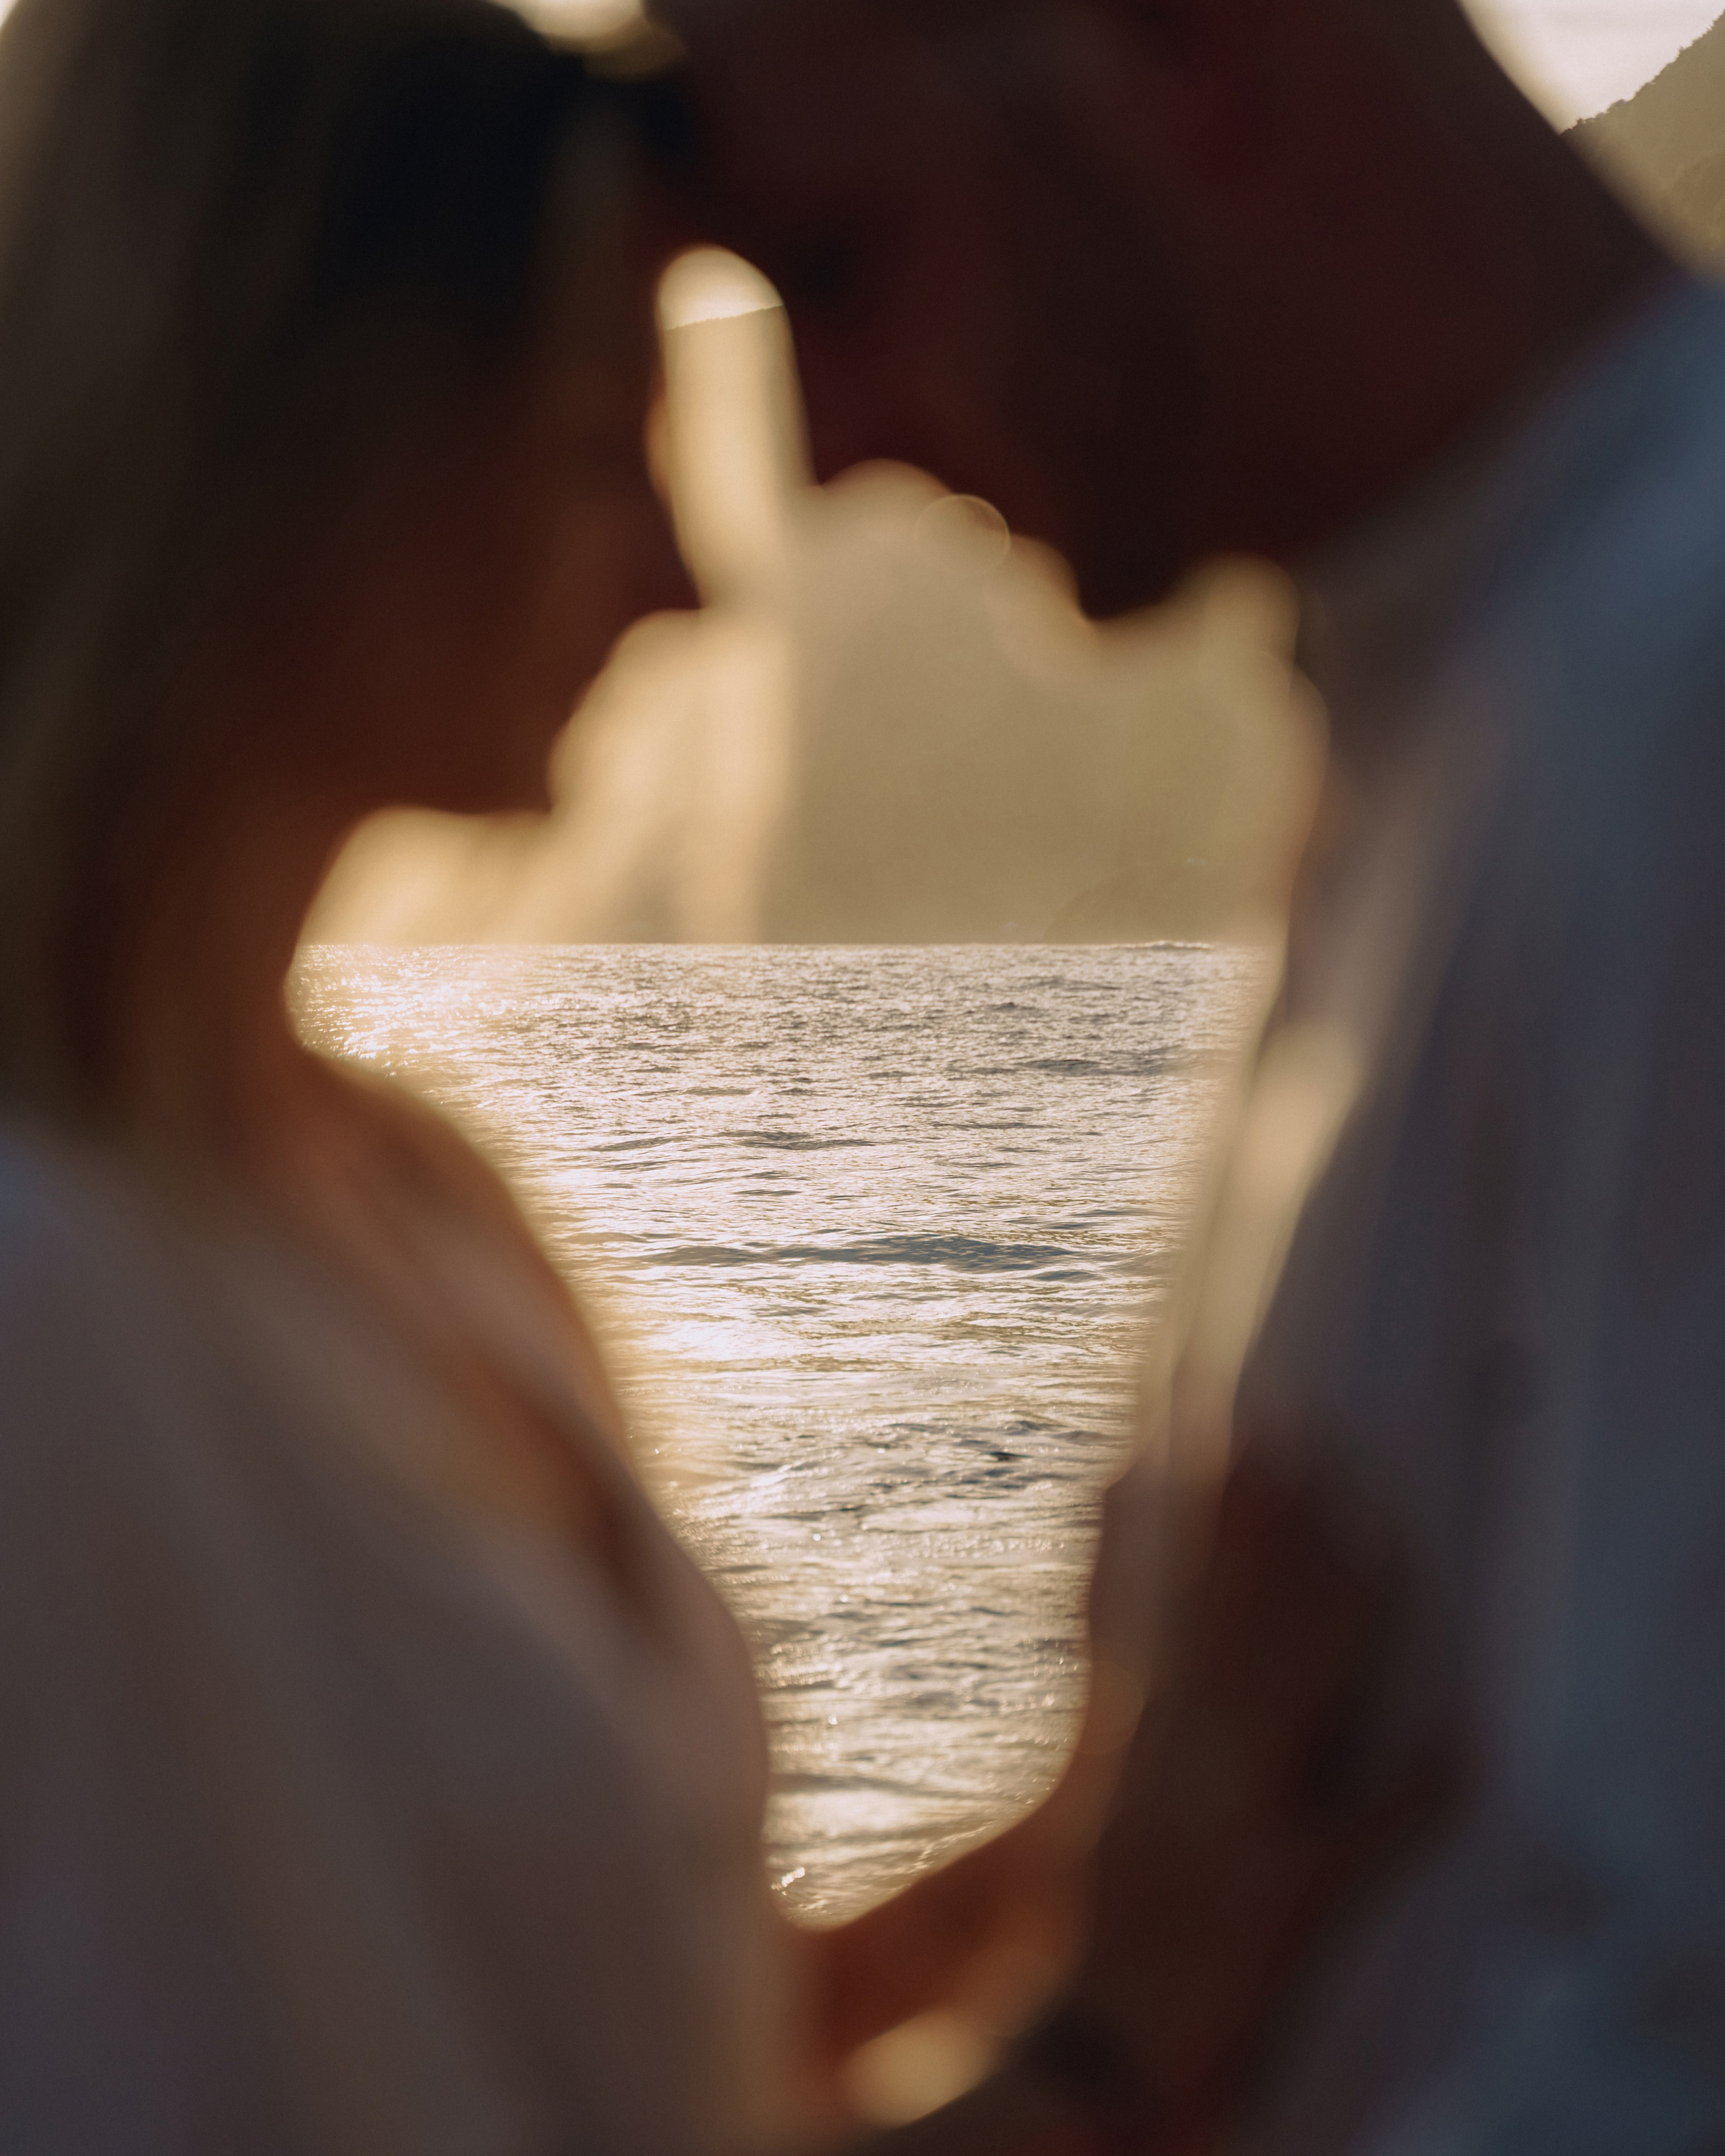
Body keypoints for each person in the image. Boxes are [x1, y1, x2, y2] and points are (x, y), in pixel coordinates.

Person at [0, 1, 1438, 2150]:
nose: (687, 579)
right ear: (299, 446)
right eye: (604, 442)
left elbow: (554, 2019)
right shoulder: (54, 1316)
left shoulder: (399, 1192)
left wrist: (1043, 1877)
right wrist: (1110, 2040)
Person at [662, 0, 1725, 2145]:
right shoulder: (1480, 708)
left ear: (1173, 45)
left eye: (845, 263)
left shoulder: (1670, 712)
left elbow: (1656, 2032)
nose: (817, 452)